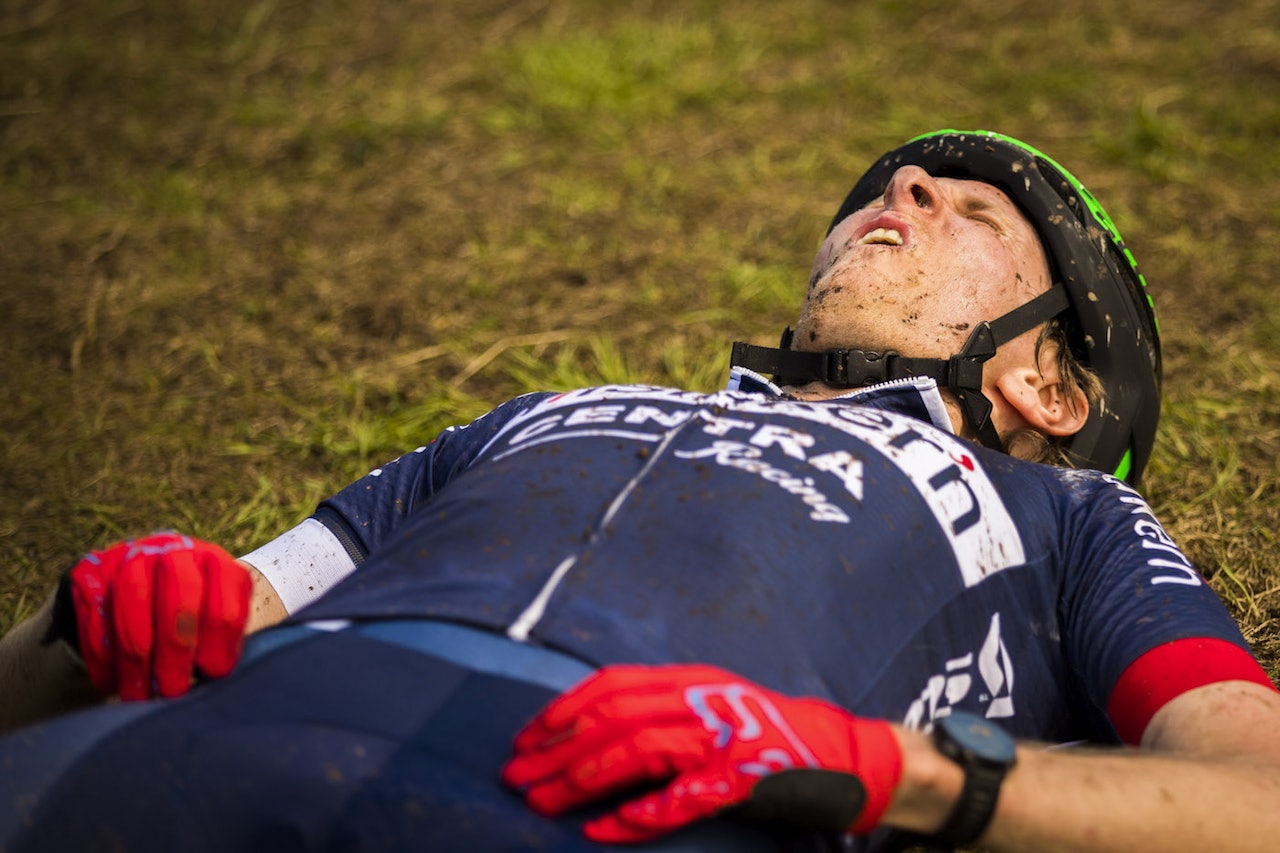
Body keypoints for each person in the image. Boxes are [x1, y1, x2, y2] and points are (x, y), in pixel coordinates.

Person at [0, 129, 1277, 852]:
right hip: (192, 747)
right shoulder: (534, 418)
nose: (901, 189)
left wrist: (900, 773)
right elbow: (166, 631)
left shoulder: (1070, 519)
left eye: (975, 212)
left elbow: (1255, 799)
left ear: (1050, 396)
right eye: (889, 188)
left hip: (606, 811)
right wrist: (71, 632)